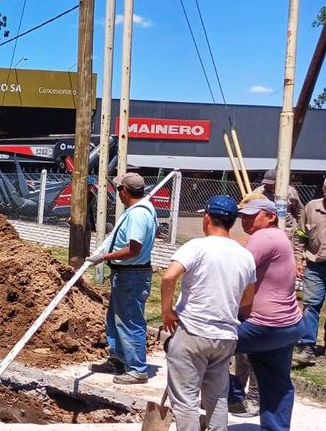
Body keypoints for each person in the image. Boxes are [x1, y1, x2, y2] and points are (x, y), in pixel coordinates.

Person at [162, 195, 256, 431]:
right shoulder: (245, 256)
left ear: (206, 218)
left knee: (185, 399)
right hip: (225, 336)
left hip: (193, 332)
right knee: (217, 397)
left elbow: (169, 276)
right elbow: (248, 298)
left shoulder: (197, 246)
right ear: (233, 222)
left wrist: (167, 311)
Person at [227, 198, 302, 430]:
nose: (246, 220)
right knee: (277, 384)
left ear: (271, 216)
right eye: (243, 216)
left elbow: (236, 271)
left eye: (252, 215)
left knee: (201, 347)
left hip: (263, 326)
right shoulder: (278, 238)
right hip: (288, 325)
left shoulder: (264, 237)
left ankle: (234, 397)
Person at [86, 172, 159, 385]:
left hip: (132, 276)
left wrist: (103, 257)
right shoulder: (140, 210)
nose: (117, 193)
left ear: (125, 191)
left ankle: (137, 369)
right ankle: (118, 359)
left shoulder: (138, 215)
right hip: (126, 275)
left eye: (118, 189)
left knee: (130, 321)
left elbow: (133, 249)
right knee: (116, 319)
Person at [295, 178, 326, 365]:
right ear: (323, 190)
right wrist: (299, 260)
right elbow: (301, 235)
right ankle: (308, 348)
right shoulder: (311, 207)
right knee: (311, 305)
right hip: (315, 265)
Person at [249, 169, 304, 268]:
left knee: (283, 260)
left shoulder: (290, 191)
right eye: (266, 183)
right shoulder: (259, 192)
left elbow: (299, 211)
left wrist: (301, 230)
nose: (267, 185)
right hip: (264, 233)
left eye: (271, 183)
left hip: (285, 232)